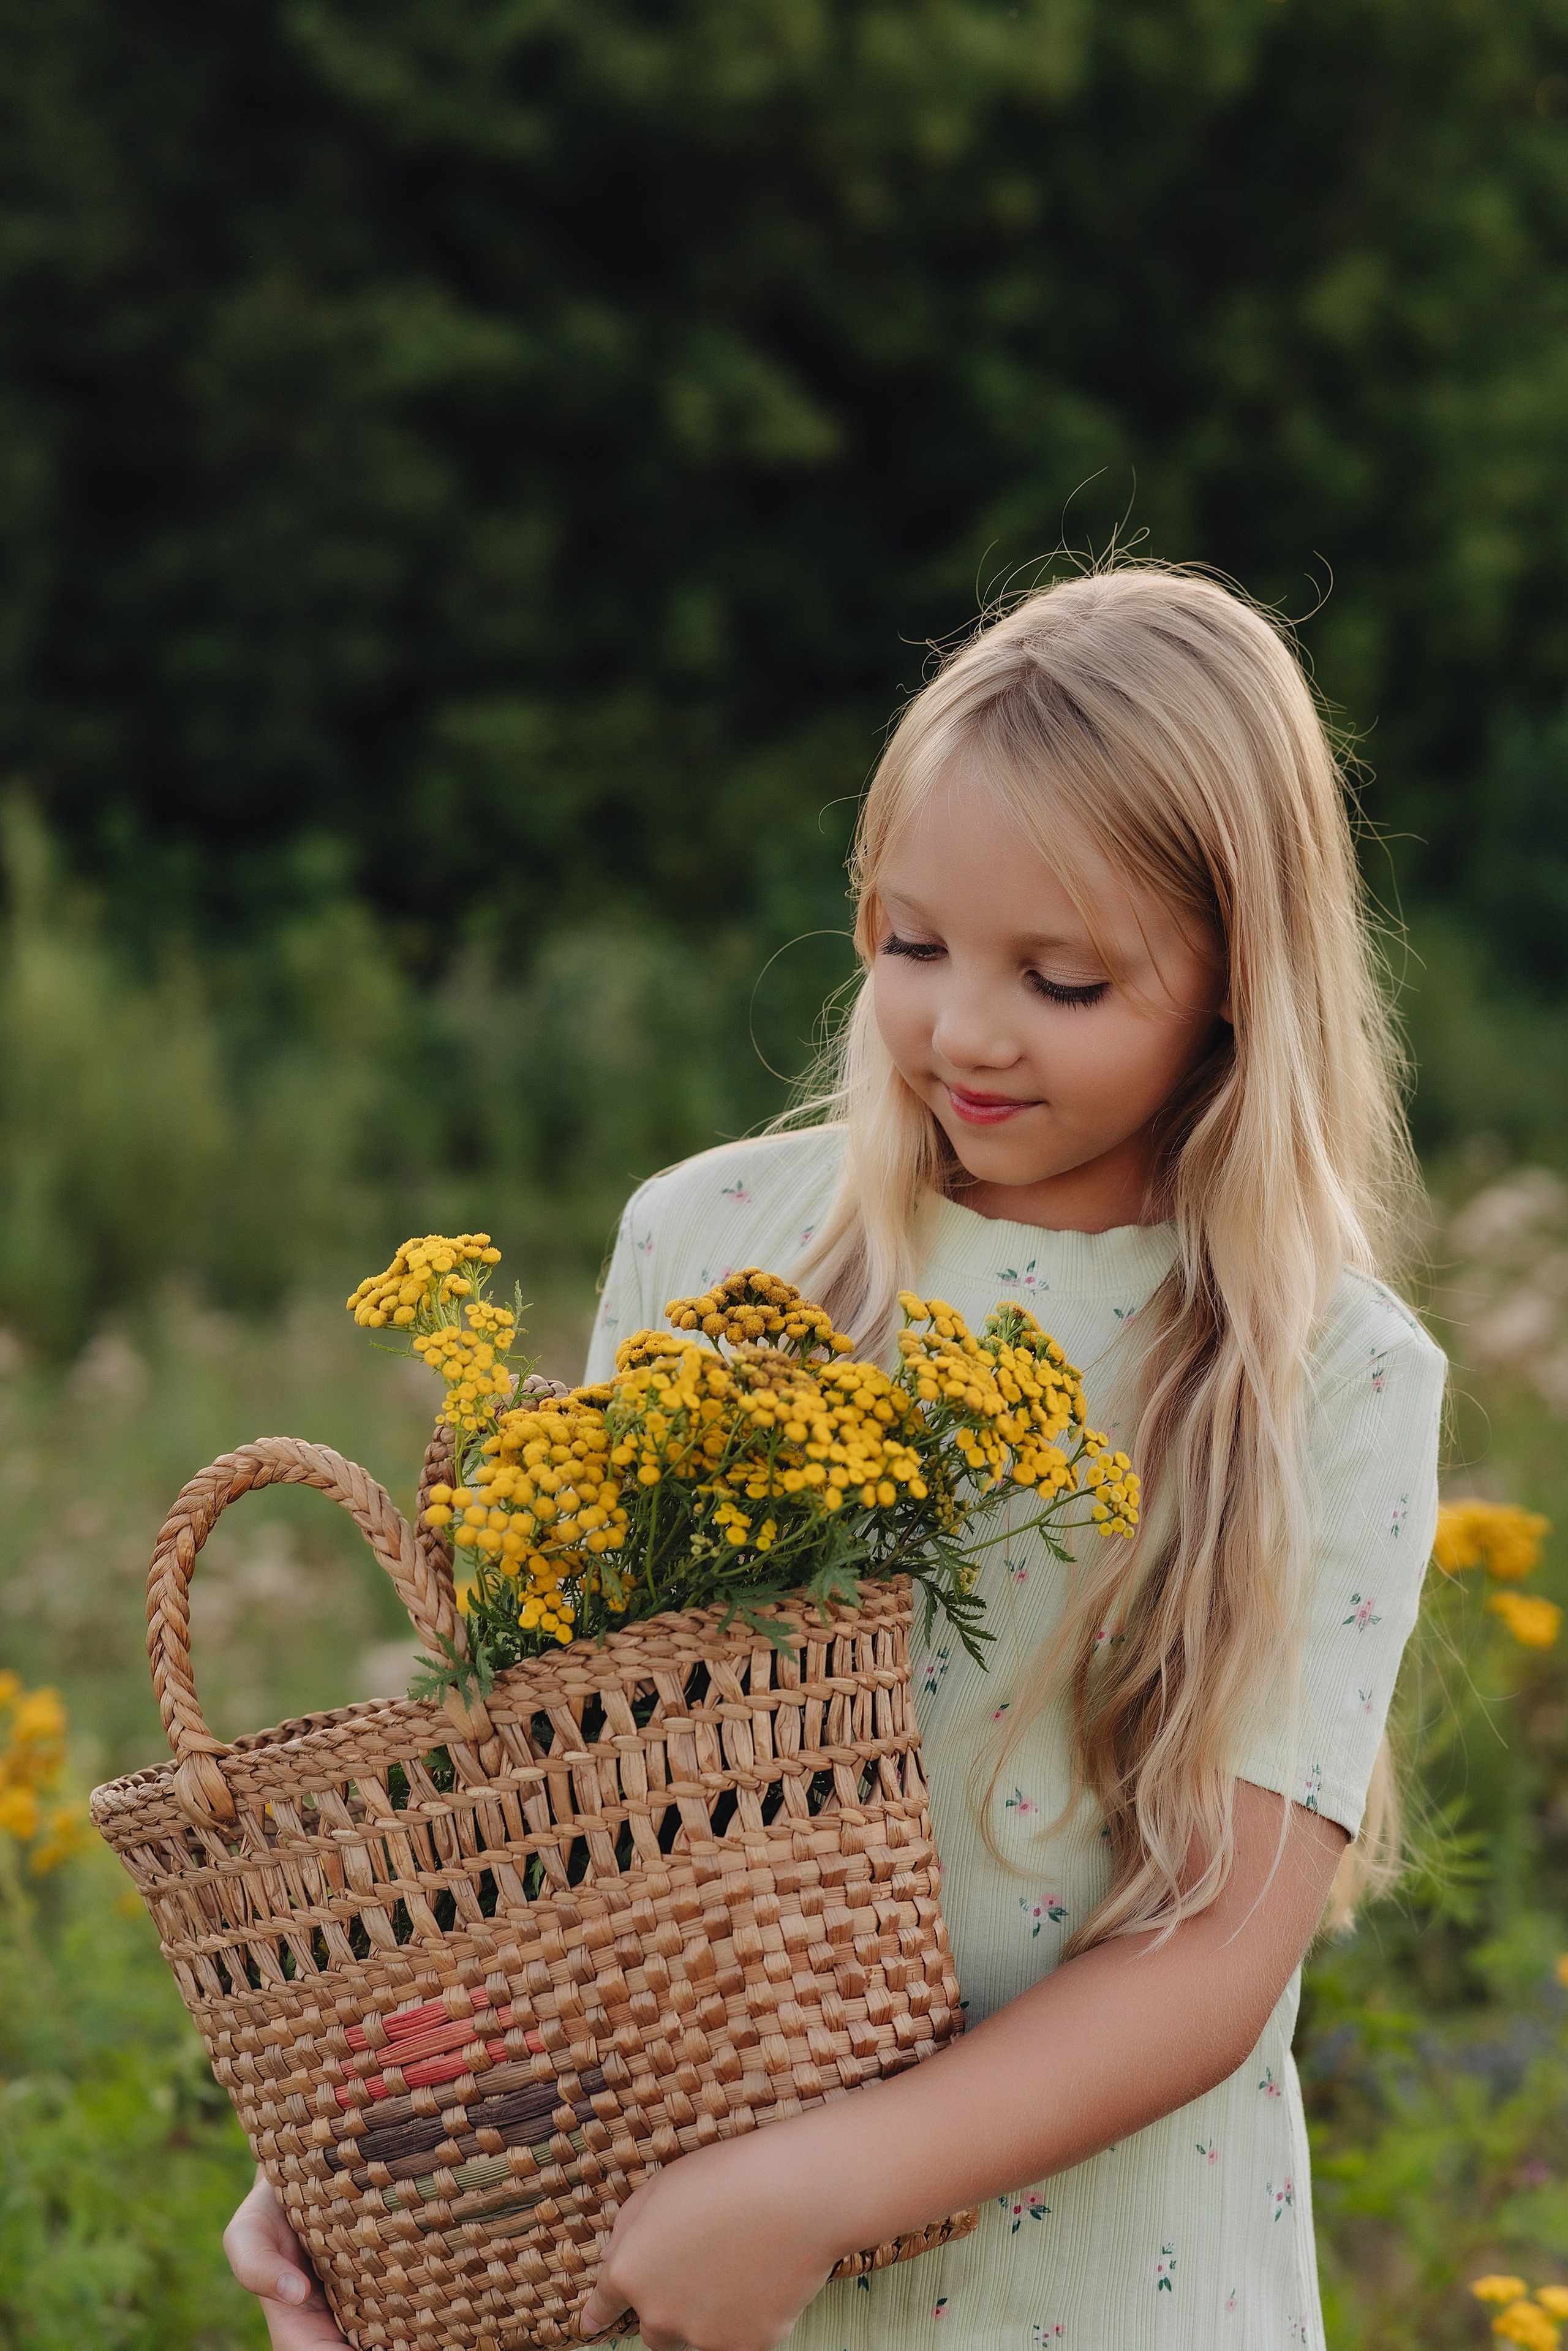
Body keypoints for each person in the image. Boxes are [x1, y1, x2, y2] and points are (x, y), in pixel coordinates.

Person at [225, 564, 1444, 2350]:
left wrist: (822, 2188)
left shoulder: (1321, 1370)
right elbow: (564, 1797)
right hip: (679, 2247)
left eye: (1065, 979)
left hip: (1098, 2286)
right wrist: (383, 2113)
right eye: (912, 945)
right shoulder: (715, 1244)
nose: (964, 1031)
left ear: (1237, 983)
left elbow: (1214, 1955)